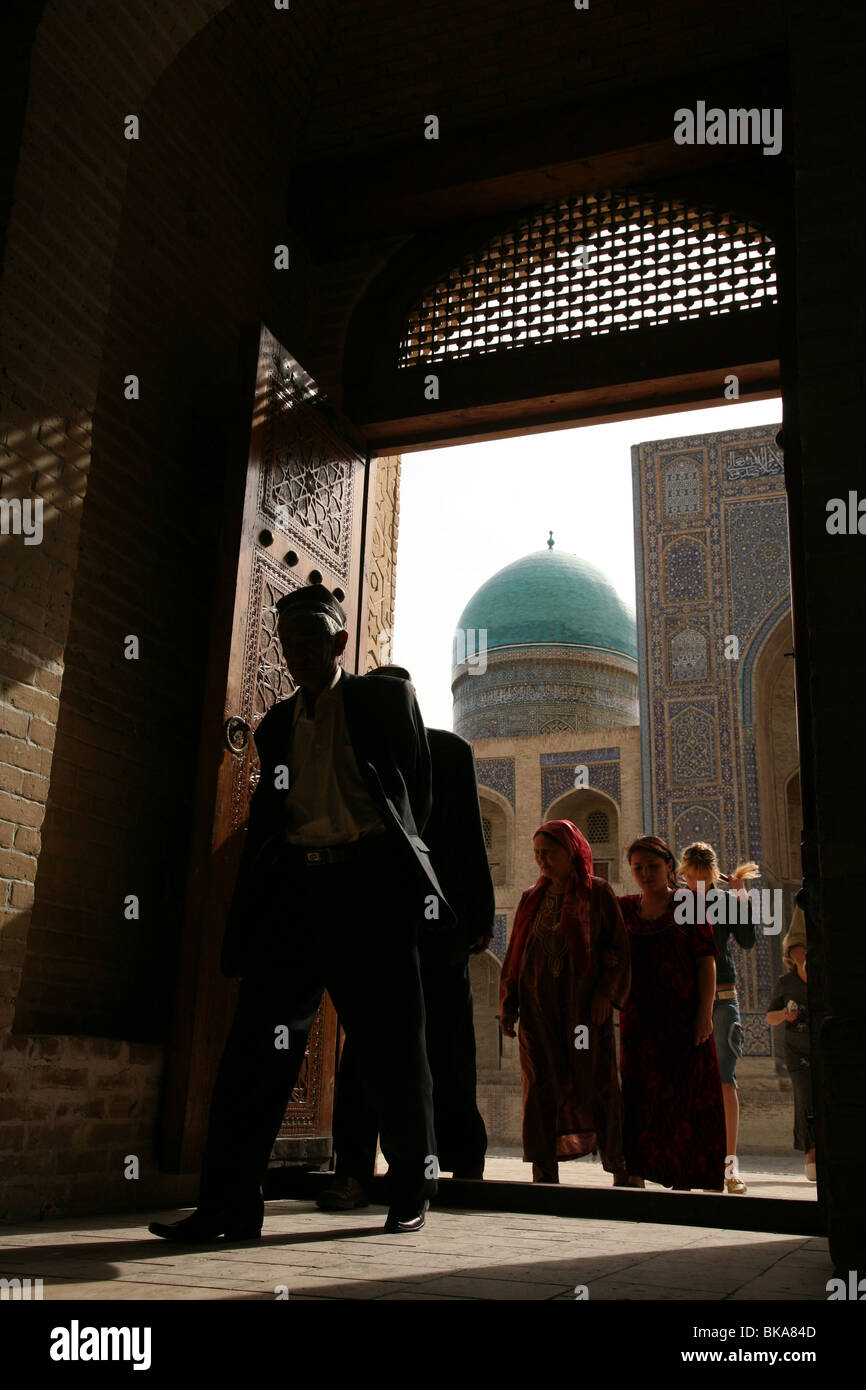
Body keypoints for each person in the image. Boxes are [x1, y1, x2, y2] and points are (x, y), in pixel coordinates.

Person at [149, 585, 452, 1242]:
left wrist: (392, 879)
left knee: (391, 1046)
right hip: (298, 897)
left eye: (313, 641)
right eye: (290, 643)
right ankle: (228, 1207)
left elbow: (416, 798)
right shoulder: (277, 725)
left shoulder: (382, 701)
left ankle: (408, 1189)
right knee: (256, 1050)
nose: (300, 654)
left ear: (340, 642)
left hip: (368, 892)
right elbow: (269, 814)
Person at [318, 664, 495, 1211]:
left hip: (438, 926)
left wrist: (478, 919)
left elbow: (468, 839)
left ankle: (458, 1163)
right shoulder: (351, 750)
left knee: (445, 1044)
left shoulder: (449, 752)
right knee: (367, 1049)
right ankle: (353, 1169)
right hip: (374, 921)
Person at [499, 820, 631, 1185]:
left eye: (550, 853)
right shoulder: (530, 898)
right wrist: (508, 1004)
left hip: (582, 1012)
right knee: (540, 1084)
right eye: (538, 854)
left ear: (571, 852)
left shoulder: (598, 894)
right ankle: (543, 1167)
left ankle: (619, 1164)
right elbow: (515, 955)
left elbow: (617, 950)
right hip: (538, 1011)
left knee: (597, 1080)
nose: (542, 860)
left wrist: (606, 993)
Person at [617, 835, 726, 1192]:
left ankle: (685, 1178)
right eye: (638, 868)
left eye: (652, 866)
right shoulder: (626, 909)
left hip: (682, 1020)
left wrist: (704, 1013)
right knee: (640, 1098)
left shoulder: (688, 903)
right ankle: (636, 1173)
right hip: (639, 1022)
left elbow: (706, 960)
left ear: (669, 867)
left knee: (686, 1098)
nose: (645, 873)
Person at [678, 842, 759, 1195]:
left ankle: (729, 1168)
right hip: (685, 1001)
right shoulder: (678, 901)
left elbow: (747, 940)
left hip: (724, 999)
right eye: (690, 879)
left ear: (711, 875)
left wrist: (742, 899)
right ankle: (691, 1162)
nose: (696, 885)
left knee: (725, 1082)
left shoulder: (725, 901)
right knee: (687, 1082)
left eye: (701, 879)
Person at [767, 918, 815, 1181]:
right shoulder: (786, 983)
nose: (803, 952)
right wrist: (785, 1015)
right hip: (797, 1053)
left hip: (823, 1048)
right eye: (798, 948)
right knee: (806, 1100)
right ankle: (812, 1151)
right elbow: (770, 1016)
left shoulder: (823, 981)